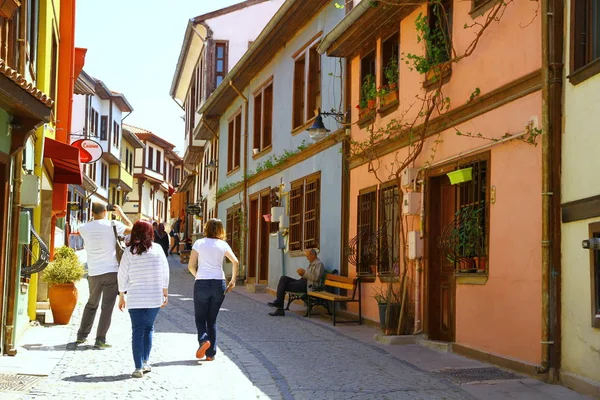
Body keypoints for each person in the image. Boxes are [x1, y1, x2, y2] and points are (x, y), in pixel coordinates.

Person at [76, 203, 133, 348]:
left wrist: (93, 218)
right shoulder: (113, 224)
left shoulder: (83, 228)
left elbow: (89, 224)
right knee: (107, 307)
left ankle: (81, 336)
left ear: (91, 212)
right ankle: (100, 339)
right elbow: (132, 228)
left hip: (94, 272)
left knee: (91, 304)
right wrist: (122, 215)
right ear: (106, 211)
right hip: (111, 271)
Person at [118, 221, 170, 378]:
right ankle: (146, 361)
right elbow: (165, 272)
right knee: (149, 328)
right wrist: (165, 292)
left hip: (136, 297)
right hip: (154, 296)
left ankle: (138, 367)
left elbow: (122, 274)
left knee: (137, 330)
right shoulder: (158, 249)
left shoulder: (129, 252)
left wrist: (121, 295)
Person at [187, 218, 238, 361]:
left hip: (202, 282)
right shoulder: (223, 244)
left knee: (200, 318)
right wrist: (233, 280)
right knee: (212, 319)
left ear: (206, 228)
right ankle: (210, 354)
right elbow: (235, 261)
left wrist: (198, 276)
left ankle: (204, 340)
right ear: (221, 229)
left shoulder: (199, 243)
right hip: (219, 283)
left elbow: (191, 265)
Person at [267, 249, 325, 317]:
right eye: (307, 256)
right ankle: (279, 304)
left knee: (284, 286)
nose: (307, 258)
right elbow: (308, 275)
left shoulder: (319, 264)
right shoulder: (312, 263)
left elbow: (316, 278)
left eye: (308, 256)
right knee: (283, 278)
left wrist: (304, 273)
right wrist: (302, 274)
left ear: (313, 255)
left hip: (309, 285)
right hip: (302, 281)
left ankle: (279, 308)